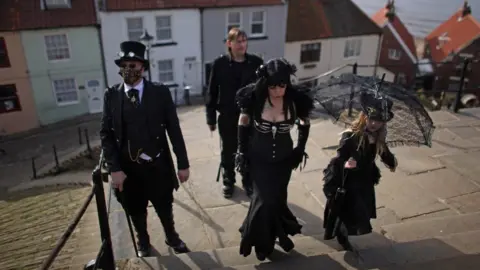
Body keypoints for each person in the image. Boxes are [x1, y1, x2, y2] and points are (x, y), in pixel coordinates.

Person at [100, 41, 191, 257]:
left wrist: (183, 163)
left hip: (158, 164)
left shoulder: (160, 92)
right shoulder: (111, 96)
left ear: (143, 67)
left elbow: (174, 129)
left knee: (164, 205)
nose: (128, 70)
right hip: (128, 169)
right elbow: (106, 134)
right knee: (135, 209)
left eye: (133, 65)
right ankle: (143, 241)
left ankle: (171, 235)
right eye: (124, 65)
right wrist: (114, 169)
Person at [235, 58, 314, 260]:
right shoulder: (254, 97)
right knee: (263, 199)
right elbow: (243, 121)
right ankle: (262, 243)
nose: (278, 90)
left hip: (283, 159)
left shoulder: (295, 100)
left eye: (282, 85)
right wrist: (241, 151)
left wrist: (300, 148)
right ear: (265, 83)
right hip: (258, 157)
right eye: (273, 86)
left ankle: (267, 235)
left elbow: (305, 122)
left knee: (276, 199)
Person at [322, 93, 398, 251]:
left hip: (364, 179)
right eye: (371, 119)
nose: (374, 123)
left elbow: (386, 156)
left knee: (359, 210)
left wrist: (390, 159)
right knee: (347, 209)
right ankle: (341, 232)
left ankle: (346, 229)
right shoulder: (350, 136)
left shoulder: (378, 138)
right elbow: (339, 158)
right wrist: (346, 163)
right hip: (349, 180)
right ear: (364, 116)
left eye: (378, 121)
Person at [206, 28, 263, 198]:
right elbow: (211, 91)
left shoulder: (256, 62)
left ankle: (247, 180)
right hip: (228, 116)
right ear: (229, 44)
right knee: (229, 150)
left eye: (244, 41)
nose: (242, 44)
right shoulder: (219, 64)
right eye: (238, 41)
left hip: (250, 116)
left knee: (249, 149)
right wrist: (211, 118)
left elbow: (263, 89)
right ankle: (229, 181)